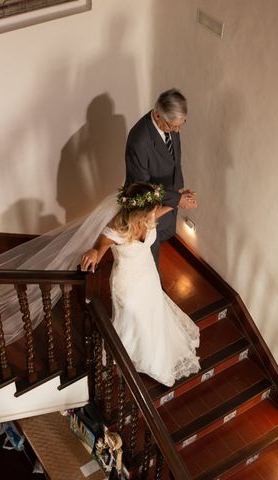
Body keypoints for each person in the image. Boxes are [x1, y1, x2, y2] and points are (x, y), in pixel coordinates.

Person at [81, 182, 200, 387]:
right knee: (132, 320)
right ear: (137, 213)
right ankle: (134, 354)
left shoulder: (149, 215)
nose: (153, 214)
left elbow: (158, 212)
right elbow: (99, 249)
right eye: (150, 212)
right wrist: (93, 253)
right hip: (126, 285)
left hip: (148, 276)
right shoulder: (115, 228)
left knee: (152, 315)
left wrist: (177, 203)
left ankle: (153, 352)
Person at [125, 88, 197, 267]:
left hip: (170, 196)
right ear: (157, 116)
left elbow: (174, 159)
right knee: (150, 254)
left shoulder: (172, 124)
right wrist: (177, 199)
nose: (177, 130)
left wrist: (179, 189)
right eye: (173, 126)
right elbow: (143, 187)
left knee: (165, 234)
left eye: (181, 124)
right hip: (149, 208)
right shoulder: (139, 141)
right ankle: (154, 289)